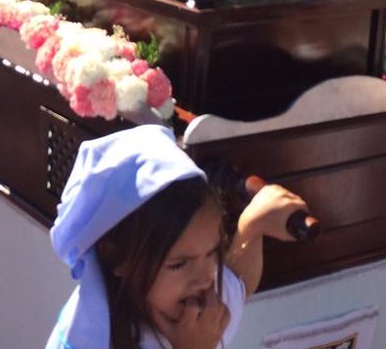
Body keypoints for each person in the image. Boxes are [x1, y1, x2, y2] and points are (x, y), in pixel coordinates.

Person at [46, 124, 305, 349]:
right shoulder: (88, 339)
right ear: (117, 257)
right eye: (179, 264)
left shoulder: (192, 299)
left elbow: (238, 283)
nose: (206, 277)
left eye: (213, 253)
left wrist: (253, 227)